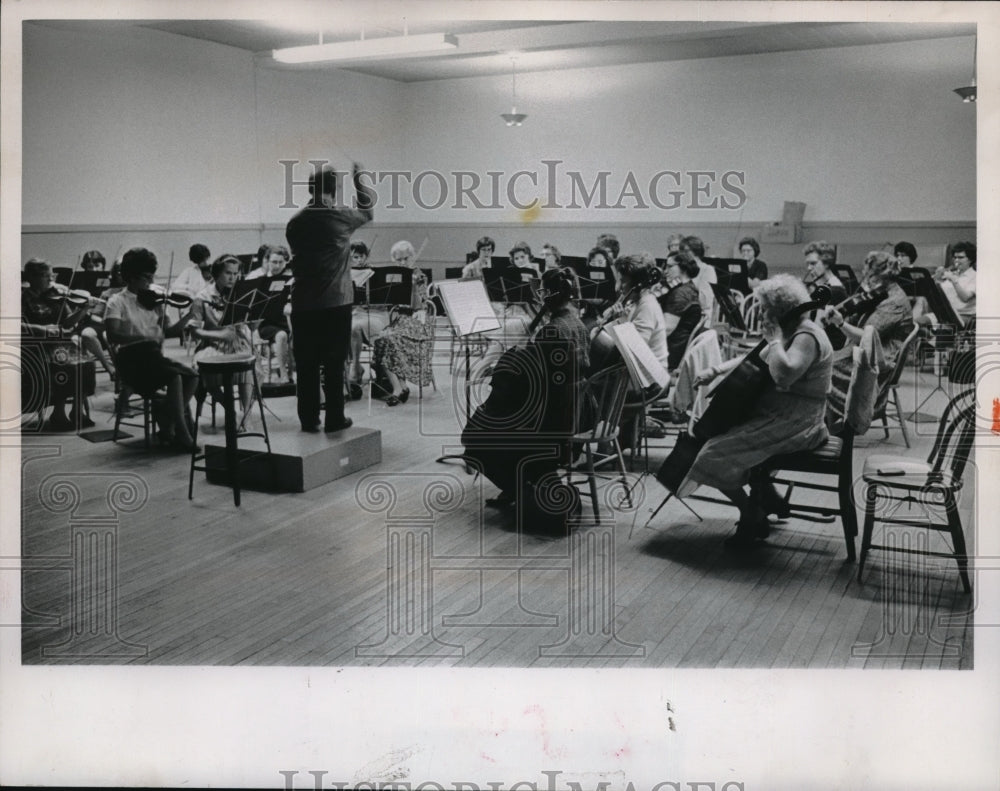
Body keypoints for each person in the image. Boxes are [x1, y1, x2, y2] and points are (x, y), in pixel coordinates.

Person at [683, 274, 834, 551]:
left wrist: (775, 340)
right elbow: (758, 356)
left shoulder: (807, 335)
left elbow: (784, 375)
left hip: (798, 424)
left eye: (765, 308)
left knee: (710, 453)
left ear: (779, 309)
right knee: (725, 437)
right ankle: (763, 492)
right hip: (781, 416)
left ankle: (750, 511)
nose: (761, 312)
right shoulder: (793, 328)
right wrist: (715, 371)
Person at [462, 269, 584, 523]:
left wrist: (512, 360)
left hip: (550, 422)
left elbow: (533, 386)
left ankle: (522, 489)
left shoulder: (552, 333)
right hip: (577, 412)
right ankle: (529, 482)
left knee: (474, 438)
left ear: (548, 297)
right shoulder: (578, 324)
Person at [285, 162, 374, 433]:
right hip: (335, 302)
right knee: (335, 361)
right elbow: (367, 212)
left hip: (302, 302)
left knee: (307, 363)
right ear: (334, 189)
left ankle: (309, 419)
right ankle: (335, 417)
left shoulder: (296, 221)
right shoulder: (339, 216)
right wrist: (360, 179)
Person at [104, 247, 200, 451]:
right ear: (130, 277)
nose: (151, 282)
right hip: (131, 360)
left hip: (153, 357)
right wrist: (143, 336)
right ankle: (182, 434)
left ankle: (169, 425)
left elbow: (170, 331)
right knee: (174, 377)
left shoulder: (154, 301)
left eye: (152, 276)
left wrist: (189, 315)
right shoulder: (116, 302)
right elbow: (113, 335)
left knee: (193, 376)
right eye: (146, 277)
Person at [821, 251, 914, 428]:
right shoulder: (882, 292)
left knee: (825, 368)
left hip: (879, 362)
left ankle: (837, 420)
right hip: (864, 351)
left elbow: (866, 337)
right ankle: (828, 418)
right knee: (824, 361)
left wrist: (841, 323)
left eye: (870, 275)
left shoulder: (894, 302)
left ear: (883, 276)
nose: (866, 280)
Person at [21, 258, 99, 430]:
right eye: (46, 276)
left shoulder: (58, 295)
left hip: (61, 342)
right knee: (64, 365)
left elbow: (68, 324)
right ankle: (58, 411)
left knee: (87, 363)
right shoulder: (23, 297)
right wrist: (42, 329)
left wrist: (83, 310)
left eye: (52, 276)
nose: (51, 280)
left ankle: (77, 410)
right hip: (37, 344)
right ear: (32, 278)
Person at [370, 240, 432, 406]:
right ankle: (401, 386)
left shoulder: (419, 276)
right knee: (381, 338)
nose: (403, 263)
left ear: (412, 257)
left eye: (406, 258)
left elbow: (421, 306)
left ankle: (398, 388)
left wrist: (412, 288)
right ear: (393, 260)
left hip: (414, 321)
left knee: (390, 338)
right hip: (393, 319)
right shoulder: (391, 276)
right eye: (399, 260)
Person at [658, 251, 703, 371]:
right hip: (678, 347)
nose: (665, 271)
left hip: (671, 353)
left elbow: (666, 329)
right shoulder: (689, 287)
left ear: (683, 268)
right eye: (665, 266)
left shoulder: (680, 294)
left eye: (670, 266)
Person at [936, 241, 976, 325]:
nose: (956, 261)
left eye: (960, 258)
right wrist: (937, 279)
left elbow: (965, 298)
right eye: (955, 257)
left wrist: (954, 280)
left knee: (938, 329)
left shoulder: (975, 276)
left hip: (963, 316)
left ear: (970, 259)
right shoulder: (952, 273)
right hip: (945, 314)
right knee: (918, 322)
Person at [680, 235, 717, 317]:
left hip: (701, 314)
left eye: (686, 251)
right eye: (681, 251)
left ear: (696, 251)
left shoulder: (708, 270)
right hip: (682, 310)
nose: (682, 255)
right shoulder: (683, 268)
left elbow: (706, 302)